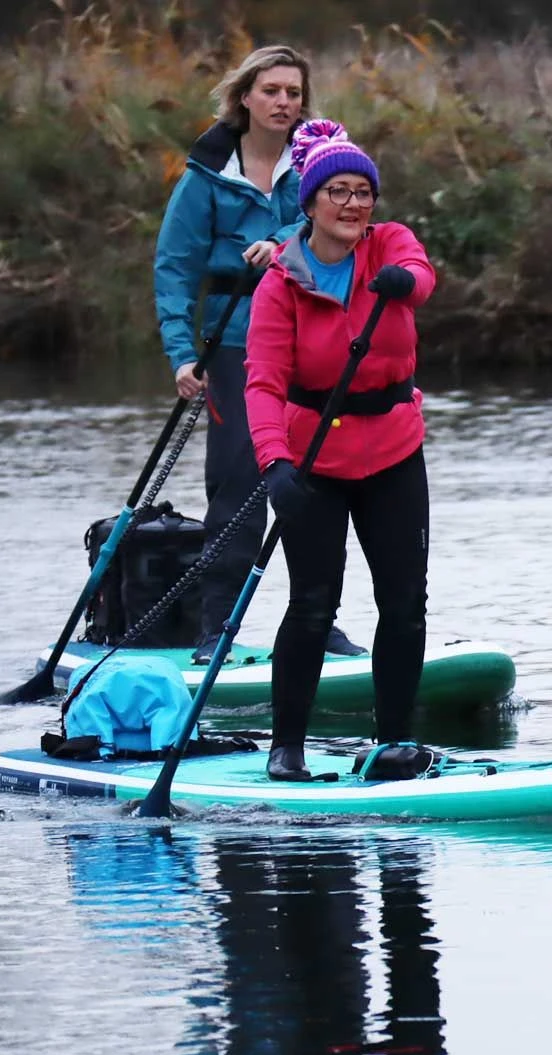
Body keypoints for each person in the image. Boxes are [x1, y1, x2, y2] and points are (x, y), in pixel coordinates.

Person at [153, 46, 365, 664]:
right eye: (271, 90)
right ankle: (215, 630)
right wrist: (179, 353)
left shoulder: (319, 168)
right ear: (244, 97)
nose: (283, 103)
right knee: (238, 485)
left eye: (294, 93)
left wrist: (279, 238)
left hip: (314, 342)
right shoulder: (205, 177)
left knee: (317, 487)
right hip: (236, 348)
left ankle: (318, 623)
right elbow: (174, 268)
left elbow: (346, 223)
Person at [244, 119, 437, 781]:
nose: (354, 204)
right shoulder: (281, 282)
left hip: (393, 450)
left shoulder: (389, 246)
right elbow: (263, 381)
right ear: (312, 202)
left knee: (404, 600)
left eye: (364, 192)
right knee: (313, 603)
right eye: (339, 192)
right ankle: (286, 746)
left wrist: (402, 287)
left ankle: (394, 742)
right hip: (313, 460)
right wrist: (273, 464)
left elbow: (420, 274)